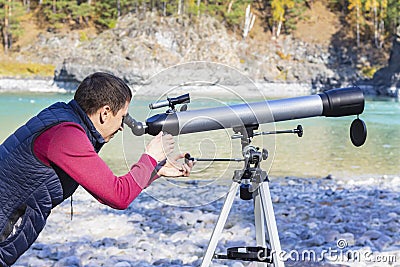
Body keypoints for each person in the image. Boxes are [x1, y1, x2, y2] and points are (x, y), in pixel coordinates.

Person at [0, 72, 193, 266]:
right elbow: (118, 196)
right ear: (105, 112)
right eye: (123, 117)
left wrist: (156, 170)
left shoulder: (62, 117)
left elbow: (108, 188)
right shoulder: (66, 135)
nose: (121, 127)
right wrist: (151, 156)